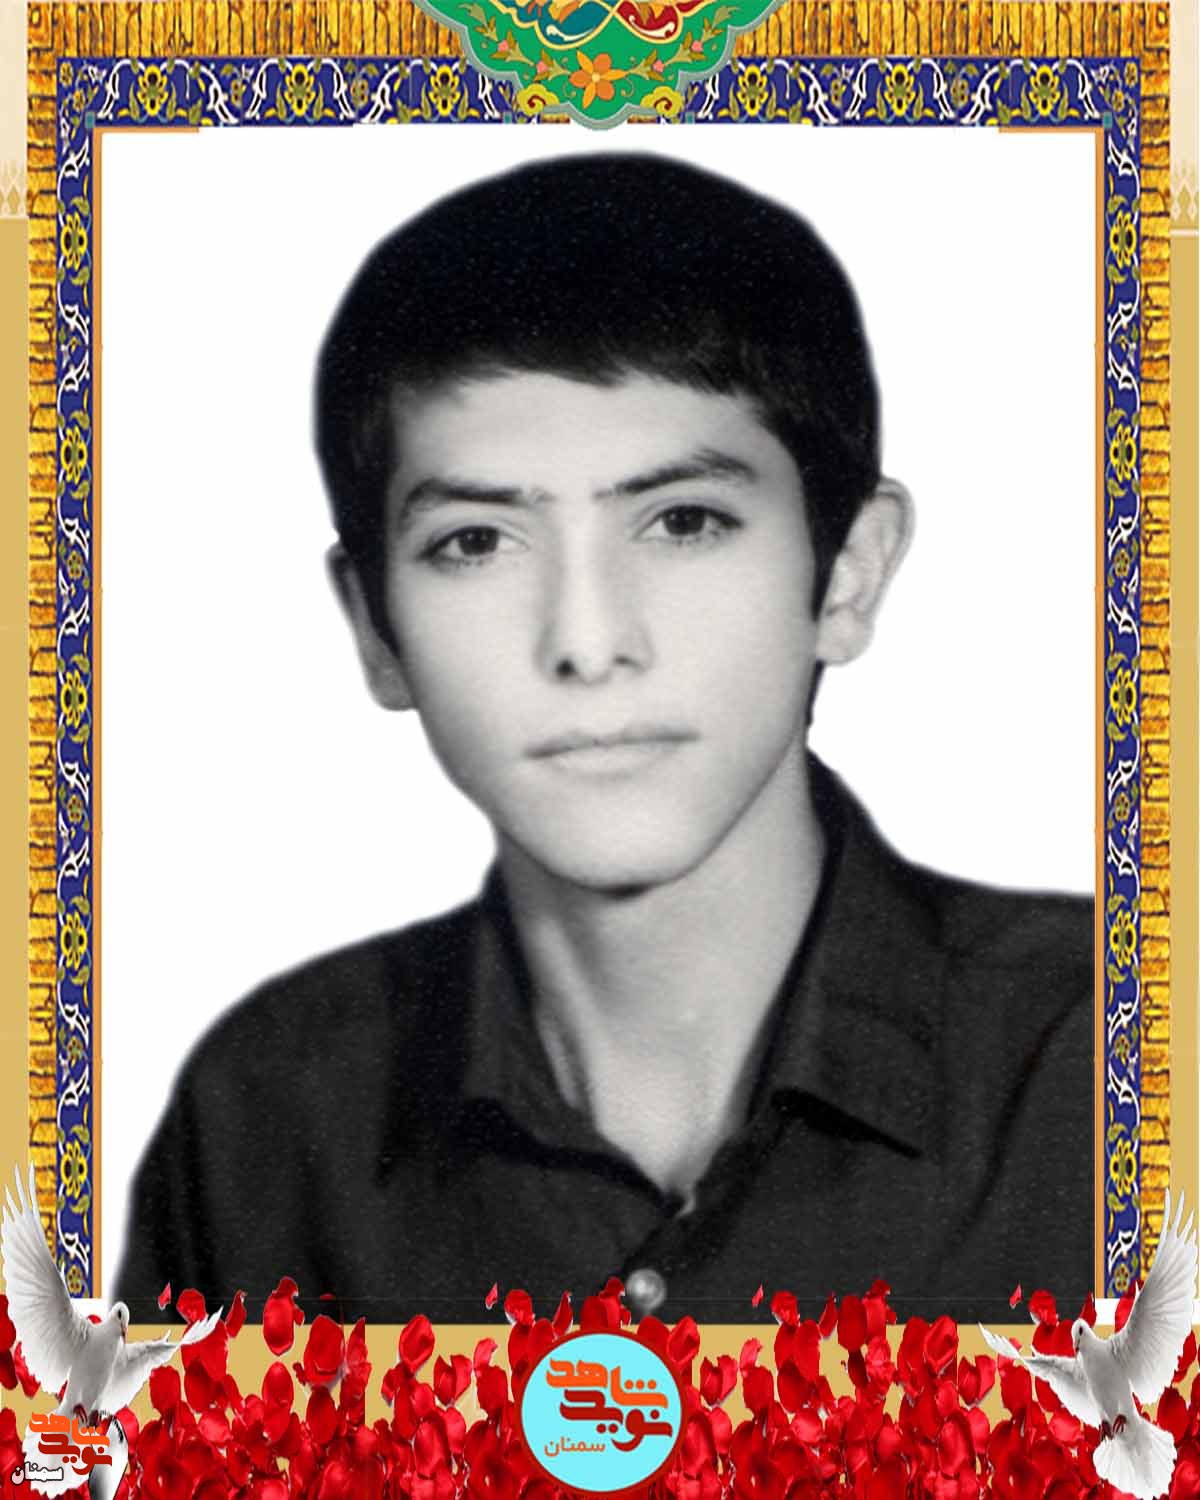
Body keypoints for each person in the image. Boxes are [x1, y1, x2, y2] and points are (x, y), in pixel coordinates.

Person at [115, 153, 1093, 1326]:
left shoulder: (1121, 1073)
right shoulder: (266, 1121)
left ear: (847, 572)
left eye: (684, 522)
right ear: (376, 627)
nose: (587, 643)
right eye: (475, 542)